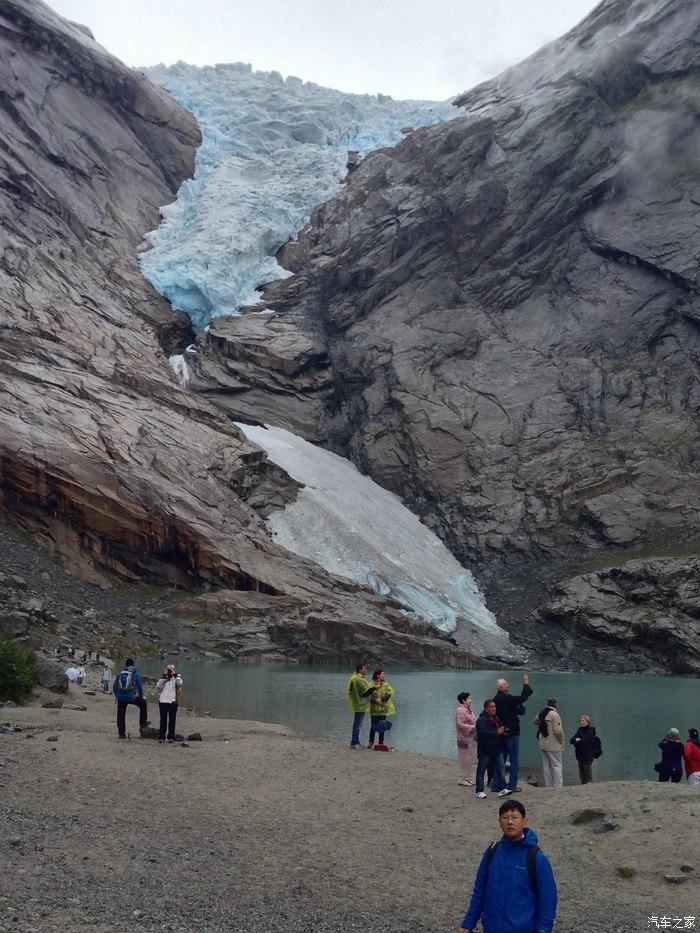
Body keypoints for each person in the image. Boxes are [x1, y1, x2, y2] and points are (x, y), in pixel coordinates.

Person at [459, 798, 557, 933]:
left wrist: (542, 930)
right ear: (499, 822)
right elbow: (480, 891)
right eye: (505, 817)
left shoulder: (536, 858)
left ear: (524, 822)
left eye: (514, 817)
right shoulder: (492, 852)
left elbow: (547, 900)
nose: (510, 822)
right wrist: (468, 923)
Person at [492, 674, 533, 793]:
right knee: (514, 760)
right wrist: (526, 683)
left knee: (501, 759)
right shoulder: (506, 698)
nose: (508, 685)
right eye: (506, 684)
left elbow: (518, 703)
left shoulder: (496, 699)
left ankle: (497, 784)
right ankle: (511, 785)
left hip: (502, 733)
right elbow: (522, 698)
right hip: (512, 732)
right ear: (501, 687)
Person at [475, 699, 510, 799]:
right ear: (486, 709)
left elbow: (500, 728)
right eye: (491, 707)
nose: (494, 709)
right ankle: (479, 790)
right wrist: (496, 732)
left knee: (501, 768)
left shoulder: (496, 718)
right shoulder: (481, 720)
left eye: (494, 707)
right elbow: (482, 734)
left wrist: (504, 730)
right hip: (485, 750)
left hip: (497, 748)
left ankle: (502, 788)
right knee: (481, 770)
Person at [112, 658, 149, 739]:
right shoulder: (135, 674)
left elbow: (114, 687)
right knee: (143, 704)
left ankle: (121, 734)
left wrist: (117, 696)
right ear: (133, 665)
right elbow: (140, 687)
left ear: (125, 665)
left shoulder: (120, 674)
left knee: (121, 714)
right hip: (131, 697)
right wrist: (141, 696)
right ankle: (143, 723)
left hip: (121, 698)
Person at [532, 698, 564, 787]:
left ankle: (548, 785)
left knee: (546, 766)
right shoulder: (554, 714)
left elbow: (534, 721)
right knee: (557, 765)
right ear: (555, 704)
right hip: (553, 744)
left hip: (543, 743)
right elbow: (558, 731)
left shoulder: (542, 712)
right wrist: (561, 740)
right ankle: (557, 786)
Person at [346, 664, 377, 749]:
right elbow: (364, 693)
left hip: (358, 703)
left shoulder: (354, 678)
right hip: (359, 704)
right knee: (358, 725)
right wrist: (374, 688)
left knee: (357, 724)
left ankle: (355, 742)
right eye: (364, 669)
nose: (366, 670)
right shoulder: (358, 679)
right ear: (360, 670)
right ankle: (354, 743)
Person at [368, 668, 395, 751]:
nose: (384, 675)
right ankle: (370, 741)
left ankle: (381, 742)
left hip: (383, 708)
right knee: (373, 725)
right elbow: (368, 695)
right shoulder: (371, 684)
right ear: (378, 675)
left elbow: (389, 694)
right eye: (382, 674)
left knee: (382, 725)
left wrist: (382, 699)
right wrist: (375, 700)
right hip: (374, 709)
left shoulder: (386, 685)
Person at [156, 664, 183, 744]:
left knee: (172, 720)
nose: (169, 671)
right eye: (168, 670)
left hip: (173, 701)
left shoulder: (176, 678)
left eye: (171, 670)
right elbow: (158, 685)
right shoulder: (164, 679)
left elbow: (180, 683)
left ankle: (171, 737)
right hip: (163, 700)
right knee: (163, 719)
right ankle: (162, 737)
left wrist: (175, 674)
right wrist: (164, 676)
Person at [455, 692, 477, 786]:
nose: (470, 700)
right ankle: (463, 778)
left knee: (471, 757)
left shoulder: (468, 710)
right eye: (469, 698)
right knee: (464, 758)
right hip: (463, 738)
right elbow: (460, 724)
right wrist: (472, 727)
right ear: (464, 700)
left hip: (470, 737)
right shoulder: (460, 710)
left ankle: (468, 778)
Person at [569, 714, 598, 784]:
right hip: (580, 755)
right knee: (581, 773)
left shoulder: (590, 731)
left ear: (587, 722)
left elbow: (585, 742)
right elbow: (571, 740)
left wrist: (577, 742)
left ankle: (589, 784)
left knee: (587, 771)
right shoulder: (580, 730)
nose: (581, 722)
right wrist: (576, 740)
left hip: (587, 755)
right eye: (580, 721)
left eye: (583, 721)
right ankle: (583, 784)